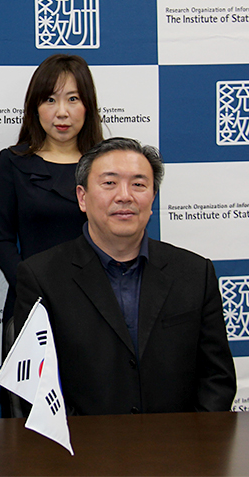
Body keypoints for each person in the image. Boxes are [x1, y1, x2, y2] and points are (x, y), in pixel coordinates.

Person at [14, 138, 236, 415]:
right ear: (82, 197)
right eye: (109, 183)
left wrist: (191, 446)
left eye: (139, 184)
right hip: (82, 450)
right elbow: (34, 386)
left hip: (180, 449)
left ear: (153, 197)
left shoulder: (194, 273)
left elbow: (217, 380)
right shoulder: (41, 277)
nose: (125, 196)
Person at [0, 54, 104, 329]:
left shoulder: (106, 164)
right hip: (31, 302)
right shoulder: (13, 162)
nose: (61, 112)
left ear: (88, 105)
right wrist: (34, 287)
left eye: (73, 99)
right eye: (50, 100)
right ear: (34, 107)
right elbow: (0, 241)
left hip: (99, 302)